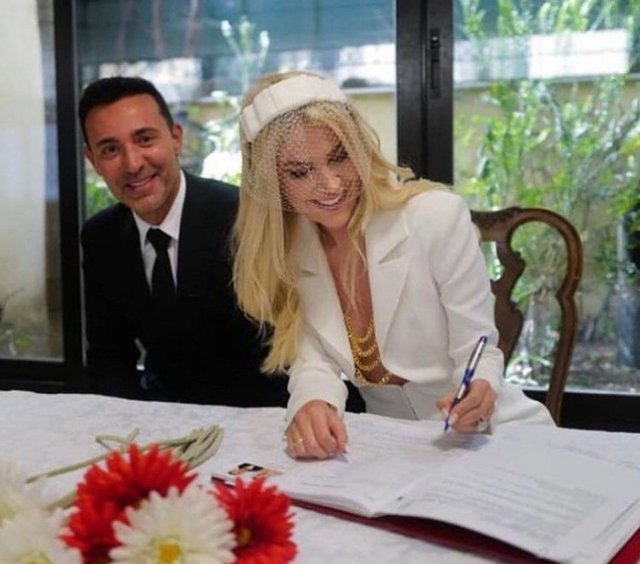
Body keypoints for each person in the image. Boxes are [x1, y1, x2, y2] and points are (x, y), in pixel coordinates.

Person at [232, 70, 553, 459]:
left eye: (340, 157)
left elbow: (479, 349)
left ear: (360, 149)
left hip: (496, 435)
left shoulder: (435, 216)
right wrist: (312, 403)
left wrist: (479, 388)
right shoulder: (291, 250)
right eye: (301, 172)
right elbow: (313, 360)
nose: (330, 184)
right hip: (391, 448)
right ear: (272, 182)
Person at [79, 76, 287, 407]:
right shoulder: (101, 236)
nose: (133, 164)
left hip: (259, 413)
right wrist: (131, 422)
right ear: (93, 161)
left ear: (176, 138)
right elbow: (110, 356)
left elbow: (281, 348)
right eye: (110, 149)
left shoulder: (242, 217)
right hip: (160, 414)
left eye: (145, 139)